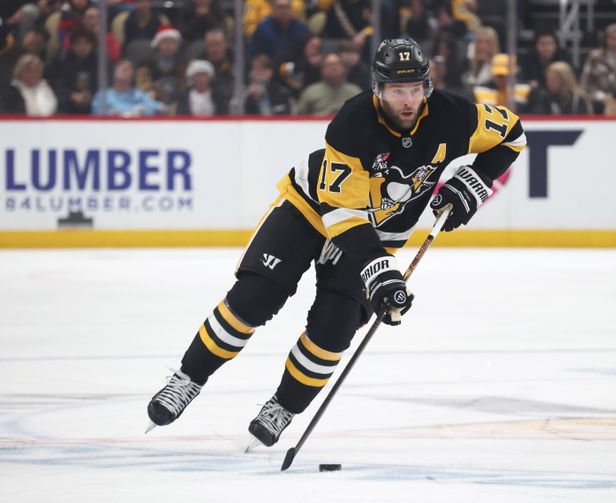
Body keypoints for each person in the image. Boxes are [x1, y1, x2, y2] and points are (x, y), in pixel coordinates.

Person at [145, 37, 526, 450]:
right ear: (378, 89)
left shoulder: (454, 116)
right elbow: (343, 214)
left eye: (415, 88)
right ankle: (188, 377)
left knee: (336, 326)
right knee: (255, 297)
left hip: (379, 233)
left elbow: (512, 133)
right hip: (311, 211)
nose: (407, 100)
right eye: (397, 90)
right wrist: (380, 272)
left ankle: (283, 406)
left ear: (426, 87)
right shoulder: (353, 122)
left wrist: (478, 178)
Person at [579, 23, 616, 112]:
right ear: (605, 39)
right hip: (597, 101)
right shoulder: (594, 57)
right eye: (612, 39)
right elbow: (585, 84)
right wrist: (603, 97)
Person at [295, 52, 361, 115]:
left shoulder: (355, 92)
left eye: (337, 64)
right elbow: (299, 116)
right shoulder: (310, 92)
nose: (333, 68)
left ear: (345, 68)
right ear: (321, 69)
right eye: (329, 65)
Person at [92, 58, 164, 116]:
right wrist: (112, 113)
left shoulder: (139, 94)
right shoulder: (103, 95)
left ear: (132, 75)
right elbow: (96, 113)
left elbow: (158, 107)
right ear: (114, 72)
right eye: (121, 67)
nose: (124, 69)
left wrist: (142, 110)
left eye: (128, 69)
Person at [524, 61, 593, 115]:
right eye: (548, 79)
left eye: (553, 79)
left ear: (565, 80)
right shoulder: (543, 98)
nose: (549, 83)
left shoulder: (578, 100)